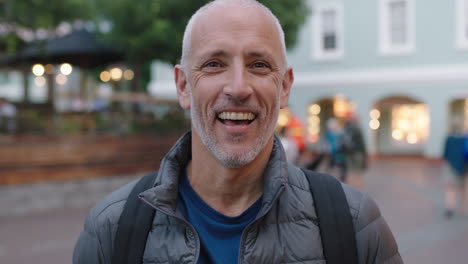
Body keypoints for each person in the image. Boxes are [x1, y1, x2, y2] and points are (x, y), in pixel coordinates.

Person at [73, 1, 402, 263]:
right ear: (183, 86)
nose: (238, 88)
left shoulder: (353, 222)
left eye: (259, 65)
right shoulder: (112, 228)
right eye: (214, 64)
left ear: (284, 86)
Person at [442, 122, 468, 218]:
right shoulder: (465, 139)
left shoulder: (449, 139)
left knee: (450, 188)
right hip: (464, 167)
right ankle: (463, 208)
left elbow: (445, 154)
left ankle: (450, 207)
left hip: (451, 166)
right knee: (463, 188)